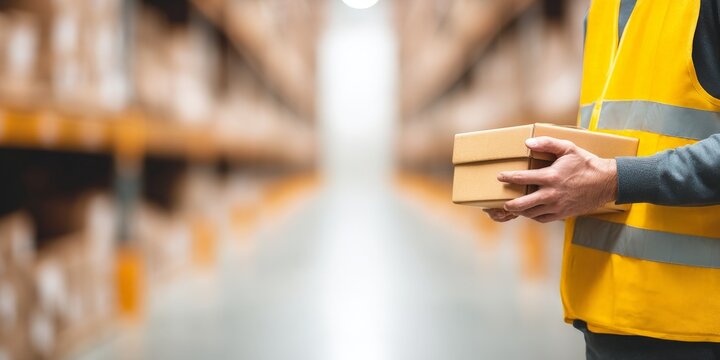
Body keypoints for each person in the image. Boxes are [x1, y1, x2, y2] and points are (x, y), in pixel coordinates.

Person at [483, 0, 720, 359]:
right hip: (602, 320)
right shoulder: (601, 10)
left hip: (695, 328)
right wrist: (541, 189)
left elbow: (613, 173)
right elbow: (606, 145)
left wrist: (616, 180)